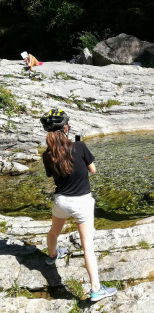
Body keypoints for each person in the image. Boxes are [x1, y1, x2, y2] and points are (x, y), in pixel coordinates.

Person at [40, 108, 117, 302]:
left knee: (53, 233)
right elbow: (93, 170)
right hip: (82, 203)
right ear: (65, 128)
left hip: (61, 202)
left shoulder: (47, 155)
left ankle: (51, 256)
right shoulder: (80, 147)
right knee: (87, 246)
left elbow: (53, 175)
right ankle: (96, 289)